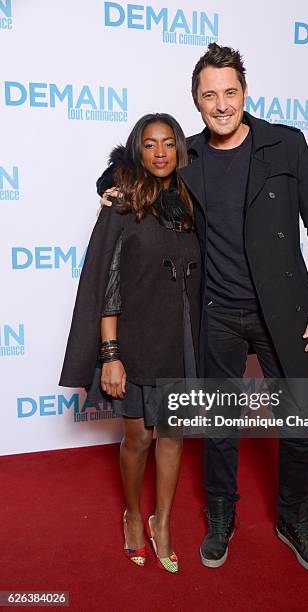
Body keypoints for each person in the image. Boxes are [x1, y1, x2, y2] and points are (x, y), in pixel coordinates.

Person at [98, 44, 308, 574]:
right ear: (197, 102)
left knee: (298, 421)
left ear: (244, 93)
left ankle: (294, 518)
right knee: (221, 424)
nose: (221, 104)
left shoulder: (286, 144)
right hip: (217, 312)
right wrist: (108, 186)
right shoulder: (185, 156)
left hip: (287, 312)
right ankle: (221, 514)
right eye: (209, 95)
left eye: (229, 92)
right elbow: (133, 166)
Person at [59, 114, 201, 574]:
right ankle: (134, 515)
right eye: (149, 144)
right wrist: (110, 356)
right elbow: (108, 285)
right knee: (138, 436)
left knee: (174, 435)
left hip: (180, 340)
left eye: (167, 143)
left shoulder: (190, 201)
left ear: (179, 148)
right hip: (135, 342)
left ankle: (164, 523)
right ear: (137, 152)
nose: (159, 152)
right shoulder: (123, 205)